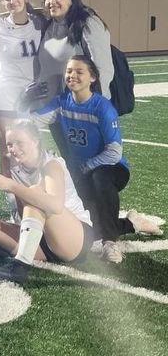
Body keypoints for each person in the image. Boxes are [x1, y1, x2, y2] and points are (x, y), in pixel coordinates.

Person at [31, 56, 161, 262]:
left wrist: (88, 166)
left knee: (99, 179)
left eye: (79, 72)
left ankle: (111, 243)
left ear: (92, 77)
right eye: (69, 71)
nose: (72, 75)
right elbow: (31, 121)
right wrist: (20, 104)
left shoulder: (102, 107)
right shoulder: (62, 103)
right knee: (87, 228)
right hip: (80, 173)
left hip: (111, 169)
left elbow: (114, 152)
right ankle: (131, 224)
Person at [0, 120, 95, 283]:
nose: (14, 149)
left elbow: (55, 206)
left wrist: (13, 186)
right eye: (10, 144)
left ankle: (19, 267)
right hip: (40, 240)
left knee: (34, 193)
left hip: (74, 239)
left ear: (35, 141)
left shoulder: (51, 164)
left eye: (20, 142)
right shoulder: (16, 169)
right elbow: (24, 215)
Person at [31, 0, 113, 109]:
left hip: (82, 107)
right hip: (52, 106)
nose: (52, 2)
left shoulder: (88, 23)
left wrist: (91, 103)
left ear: (71, 0)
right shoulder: (47, 26)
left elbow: (103, 68)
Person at [0, 0, 44, 179]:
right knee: (9, 149)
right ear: (2, 3)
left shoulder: (40, 23)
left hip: (32, 93)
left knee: (33, 147)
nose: (12, 1)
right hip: (6, 94)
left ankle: (35, 193)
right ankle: (14, 200)